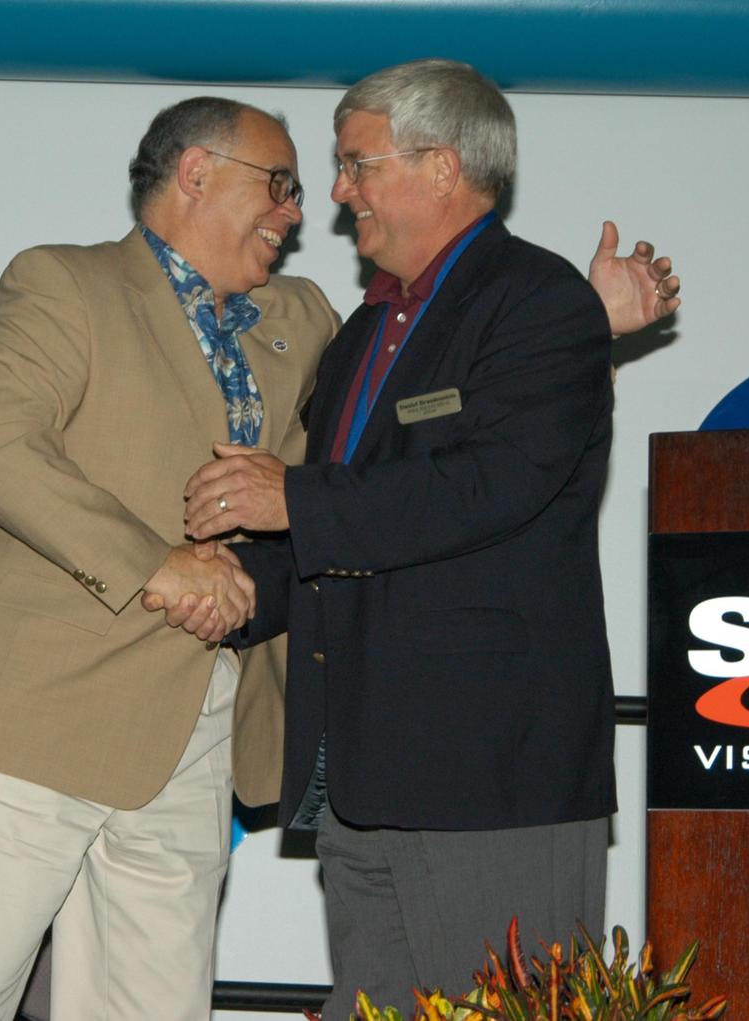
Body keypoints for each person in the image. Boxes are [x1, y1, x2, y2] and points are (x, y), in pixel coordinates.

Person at [168, 59, 676, 1018]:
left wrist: (294, 500)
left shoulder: (539, 301)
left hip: (489, 772)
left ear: (442, 167)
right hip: (364, 770)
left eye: (356, 164)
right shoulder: (365, 330)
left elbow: (490, 484)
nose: (338, 191)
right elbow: (337, 523)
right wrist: (223, 589)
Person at [0, 97, 340, 1021]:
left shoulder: (305, 316)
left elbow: (402, 406)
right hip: (28, 722)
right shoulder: (64, 283)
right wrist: (156, 564)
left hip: (196, 728)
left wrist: (582, 332)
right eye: (279, 184)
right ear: (195, 174)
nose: (297, 211)